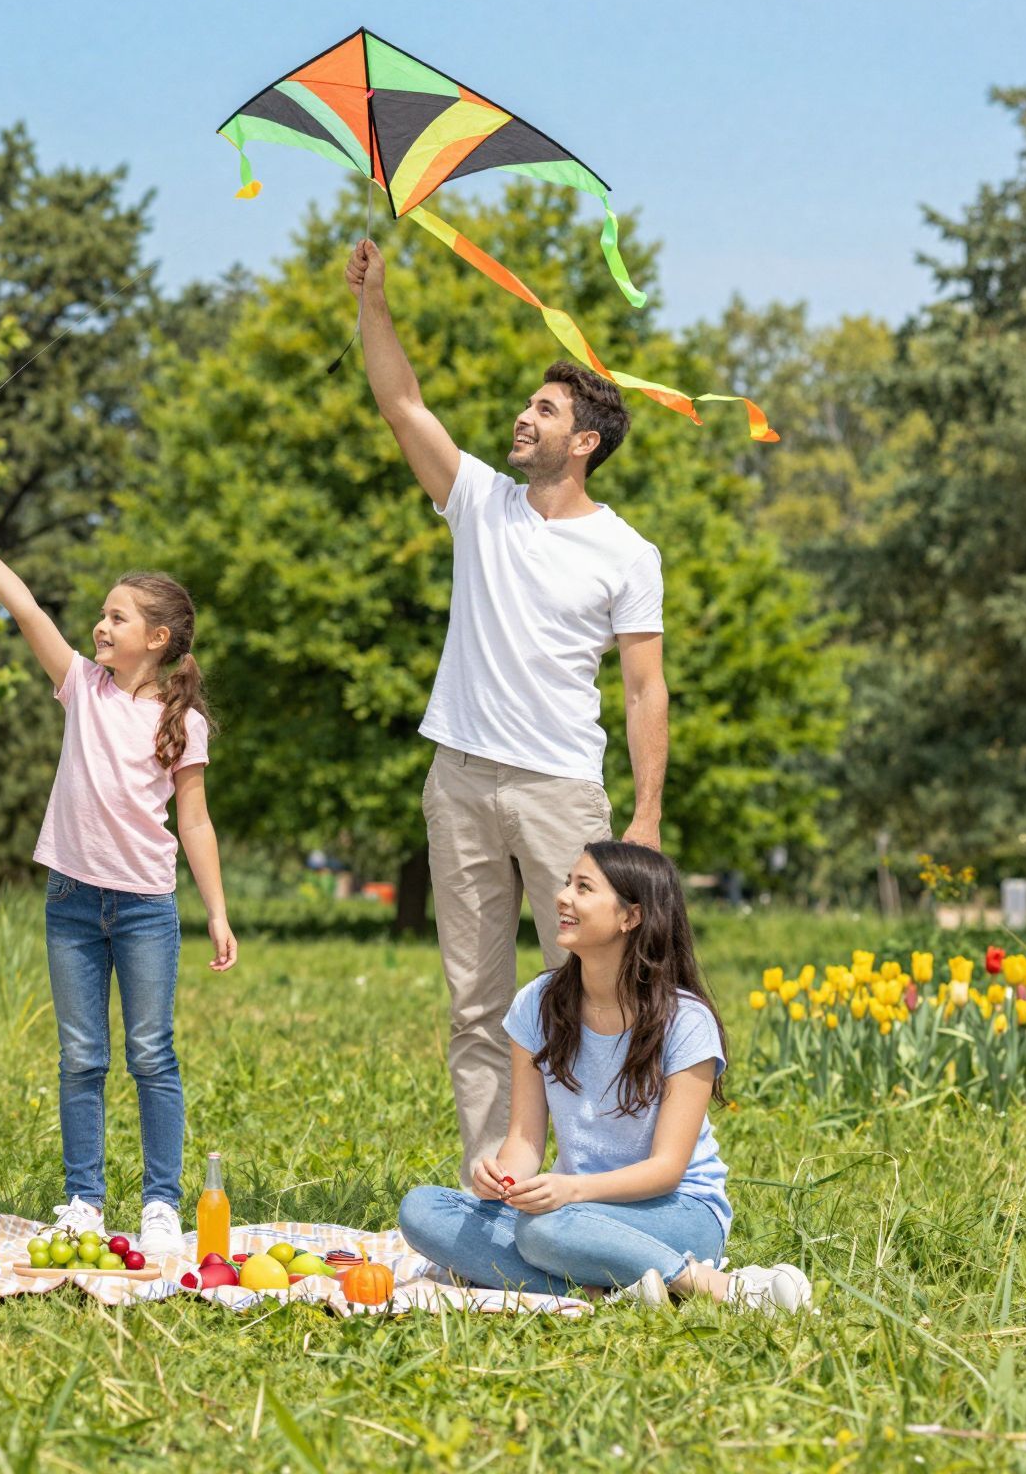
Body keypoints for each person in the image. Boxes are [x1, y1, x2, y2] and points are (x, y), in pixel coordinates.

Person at [346, 236, 672, 1188]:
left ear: (586, 444)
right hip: (460, 782)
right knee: (476, 1006)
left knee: (596, 997)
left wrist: (644, 820)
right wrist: (373, 302)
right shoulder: (481, 502)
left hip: (564, 794)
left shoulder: (627, 554)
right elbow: (401, 402)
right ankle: (494, 1188)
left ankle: (598, 1182)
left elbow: (647, 688)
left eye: (546, 409)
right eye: (530, 404)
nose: (523, 418)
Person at [0, 506, 236, 1256]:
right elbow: (26, 607)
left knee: (152, 1053)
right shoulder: (81, 686)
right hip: (70, 901)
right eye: (101, 615)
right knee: (81, 1057)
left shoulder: (181, 719)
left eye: (116, 617)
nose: (99, 627)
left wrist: (219, 914)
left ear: (156, 639)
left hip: (144, 909)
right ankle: (84, 1199)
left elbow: (194, 823)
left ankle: (162, 1201)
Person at [398, 841, 810, 1312]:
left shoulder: (686, 1021)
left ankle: (718, 1285)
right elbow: (526, 1140)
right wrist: (501, 1178)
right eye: (567, 883)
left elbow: (667, 1169)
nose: (562, 897)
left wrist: (570, 1191)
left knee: (542, 1231)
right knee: (423, 1210)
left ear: (630, 917)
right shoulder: (537, 1004)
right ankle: (607, 1290)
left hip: (678, 1211)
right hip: (574, 1210)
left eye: (584, 887)